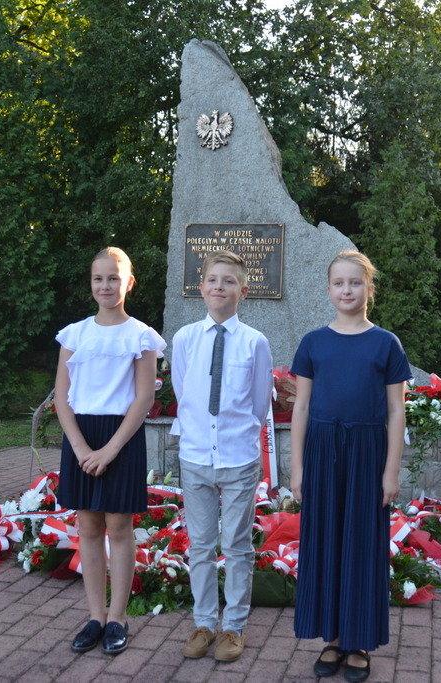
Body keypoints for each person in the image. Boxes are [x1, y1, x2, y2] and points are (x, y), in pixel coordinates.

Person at [290, 250, 411, 682]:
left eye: (355, 283)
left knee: (361, 544)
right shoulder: (313, 343)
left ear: (369, 289)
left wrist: (390, 471)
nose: (347, 290)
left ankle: (358, 640)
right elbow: (301, 408)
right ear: (328, 289)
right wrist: (297, 468)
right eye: (339, 283)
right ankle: (334, 637)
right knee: (325, 542)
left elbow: (396, 411)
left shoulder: (386, 343)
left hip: (367, 452)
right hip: (323, 451)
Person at [55, 247, 165, 656]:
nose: (106, 285)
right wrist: (82, 447)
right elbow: (62, 396)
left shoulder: (141, 335)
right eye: (98, 278)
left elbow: (143, 399)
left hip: (121, 437)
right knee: (87, 527)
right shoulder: (74, 334)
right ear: (91, 283)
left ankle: (118, 617)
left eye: (114, 278)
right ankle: (95, 616)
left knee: (118, 528)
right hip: (81, 436)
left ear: (128, 283)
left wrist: (110, 450)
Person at [170, 250, 273, 663]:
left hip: (237, 459)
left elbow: (258, 405)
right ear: (201, 287)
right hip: (196, 456)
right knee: (200, 545)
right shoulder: (184, 339)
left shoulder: (254, 342)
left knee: (236, 544)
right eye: (213, 280)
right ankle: (203, 623)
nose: (219, 287)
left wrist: (237, 439)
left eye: (229, 281)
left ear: (243, 292)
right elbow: (183, 392)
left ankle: (234, 627)